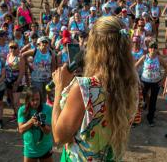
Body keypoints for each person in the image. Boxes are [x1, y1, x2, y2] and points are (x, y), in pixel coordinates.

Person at [52, 17, 138, 160]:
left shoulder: (85, 88)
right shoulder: (132, 84)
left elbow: (59, 137)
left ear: (96, 48)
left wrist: (59, 89)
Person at [135, 40, 167, 126]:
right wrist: (138, 80)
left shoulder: (159, 58)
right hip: (144, 82)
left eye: (155, 47)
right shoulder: (144, 57)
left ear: (157, 49)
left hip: (155, 82)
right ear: (148, 49)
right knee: (141, 100)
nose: (153, 49)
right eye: (151, 47)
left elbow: (166, 68)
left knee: (153, 101)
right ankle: (137, 118)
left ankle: (150, 118)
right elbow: (135, 67)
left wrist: (163, 81)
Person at [18, 89, 53, 162]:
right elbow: (21, 130)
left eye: (37, 99)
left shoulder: (47, 109)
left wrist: (41, 124)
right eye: (32, 100)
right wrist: (31, 121)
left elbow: (48, 131)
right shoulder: (22, 110)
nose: (36, 102)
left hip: (45, 148)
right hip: (30, 149)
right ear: (28, 100)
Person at [5, 41, 25, 121]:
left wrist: (16, 84)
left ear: (18, 48)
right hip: (8, 81)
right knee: (12, 100)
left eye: (14, 47)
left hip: (18, 82)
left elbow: (22, 72)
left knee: (16, 102)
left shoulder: (20, 58)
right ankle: (16, 114)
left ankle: (21, 119)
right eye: (11, 47)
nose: (12, 49)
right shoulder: (8, 55)